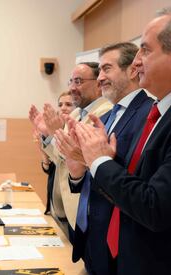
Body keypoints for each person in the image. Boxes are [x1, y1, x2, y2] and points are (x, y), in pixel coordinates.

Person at [75, 8, 171, 275]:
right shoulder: (163, 110)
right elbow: (138, 184)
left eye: (145, 50)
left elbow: (155, 207)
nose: (136, 61)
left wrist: (100, 160)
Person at [55, 42, 153, 274]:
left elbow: (133, 176)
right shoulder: (108, 115)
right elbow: (95, 170)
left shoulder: (148, 114)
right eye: (99, 71)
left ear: (131, 70)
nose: (100, 78)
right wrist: (77, 171)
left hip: (120, 241)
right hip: (92, 235)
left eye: (106, 69)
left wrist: (97, 162)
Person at [29, 62, 112, 242]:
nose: (73, 88)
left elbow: (76, 158)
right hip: (64, 205)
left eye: (79, 81)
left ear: (98, 84)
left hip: (85, 208)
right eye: (71, 82)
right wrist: (48, 134)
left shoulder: (104, 113)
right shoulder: (75, 115)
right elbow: (60, 159)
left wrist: (55, 133)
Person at [34, 91, 75, 215]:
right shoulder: (56, 130)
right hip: (54, 201)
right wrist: (43, 150)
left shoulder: (73, 131)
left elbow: (65, 165)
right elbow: (49, 168)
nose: (63, 108)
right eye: (60, 104)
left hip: (68, 203)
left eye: (68, 104)